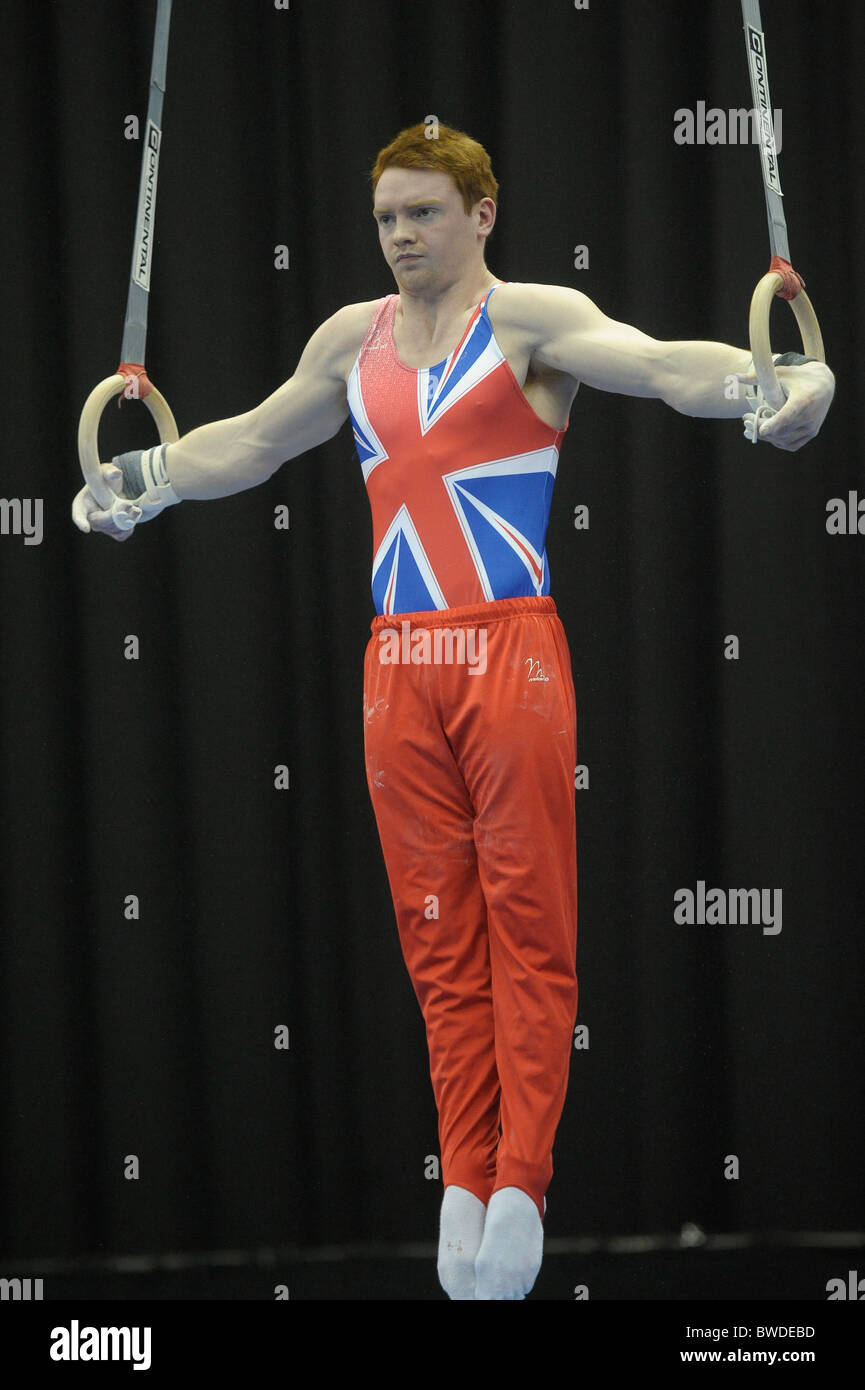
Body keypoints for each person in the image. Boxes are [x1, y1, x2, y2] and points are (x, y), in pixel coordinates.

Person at [72, 122, 835, 1300]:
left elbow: (661, 365)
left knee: (527, 929)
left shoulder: (532, 320)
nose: (401, 237)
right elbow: (257, 442)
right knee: (440, 948)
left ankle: (522, 1176)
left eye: (424, 213)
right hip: (397, 669)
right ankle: (464, 1176)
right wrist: (142, 479)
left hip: (509, 657)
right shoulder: (348, 339)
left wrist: (770, 382)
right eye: (386, 218)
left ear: (483, 214)